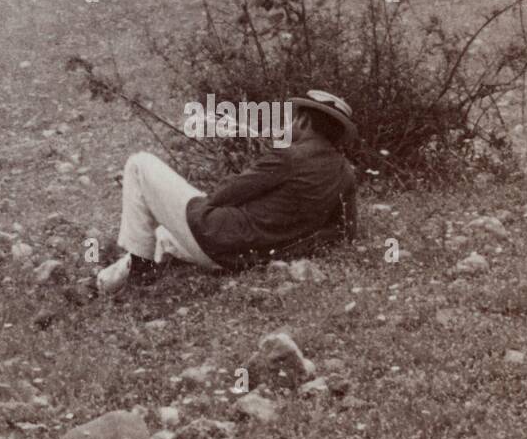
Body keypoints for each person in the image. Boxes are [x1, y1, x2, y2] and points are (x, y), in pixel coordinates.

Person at [97, 90, 359, 296]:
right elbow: (345, 231)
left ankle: (142, 270)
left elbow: (224, 195)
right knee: (162, 235)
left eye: (293, 118)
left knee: (138, 164)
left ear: (304, 121)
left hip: (218, 240)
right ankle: (104, 284)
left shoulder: (290, 156)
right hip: (243, 257)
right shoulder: (345, 173)